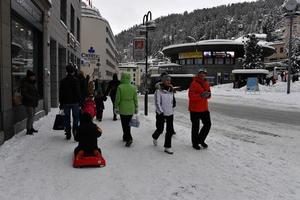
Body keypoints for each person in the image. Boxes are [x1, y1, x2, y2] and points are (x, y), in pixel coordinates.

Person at [152, 74, 176, 154]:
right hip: (161, 113)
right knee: (160, 129)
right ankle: (155, 137)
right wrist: (161, 113)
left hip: (170, 113)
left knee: (169, 131)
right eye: (167, 80)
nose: (169, 82)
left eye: (169, 80)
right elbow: (157, 103)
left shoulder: (171, 90)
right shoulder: (158, 91)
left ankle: (167, 147)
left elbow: (172, 101)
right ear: (163, 81)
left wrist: (173, 106)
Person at [188, 68, 212, 150]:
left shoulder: (206, 83)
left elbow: (209, 93)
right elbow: (191, 96)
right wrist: (201, 96)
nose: (202, 75)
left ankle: (201, 140)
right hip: (194, 109)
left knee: (208, 124)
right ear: (198, 74)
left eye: (204, 73)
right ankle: (195, 143)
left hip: (204, 108)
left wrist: (208, 95)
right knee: (195, 127)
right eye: (201, 73)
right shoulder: (193, 83)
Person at [114, 73, 138, 147]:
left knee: (124, 124)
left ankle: (128, 138)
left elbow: (117, 98)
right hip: (131, 107)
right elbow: (135, 98)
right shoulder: (133, 87)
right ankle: (126, 137)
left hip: (123, 107)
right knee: (129, 124)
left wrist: (115, 106)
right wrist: (136, 107)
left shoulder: (120, 87)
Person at [59, 64, 81, 140]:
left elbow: (61, 94)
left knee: (66, 118)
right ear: (73, 72)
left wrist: (61, 104)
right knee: (76, 117)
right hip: (75, 102)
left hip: (65, 102)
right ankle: (75, 131)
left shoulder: (63, 81)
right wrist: (80, 102)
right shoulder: (75, 80)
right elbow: (78, 92)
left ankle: (68, 133)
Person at [21, 70, 39, 135]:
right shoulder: (25, 83)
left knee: (32, 115)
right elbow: (24, 93)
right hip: (28, 102)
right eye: (33, 76)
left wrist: (36, 97)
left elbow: (34, 91)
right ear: (29, 77)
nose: (34, 77)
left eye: (34, 76)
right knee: (30, 116)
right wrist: (31, 98)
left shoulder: (31, 83)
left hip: (33, 102)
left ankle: (31, 128)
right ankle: (28, 130)